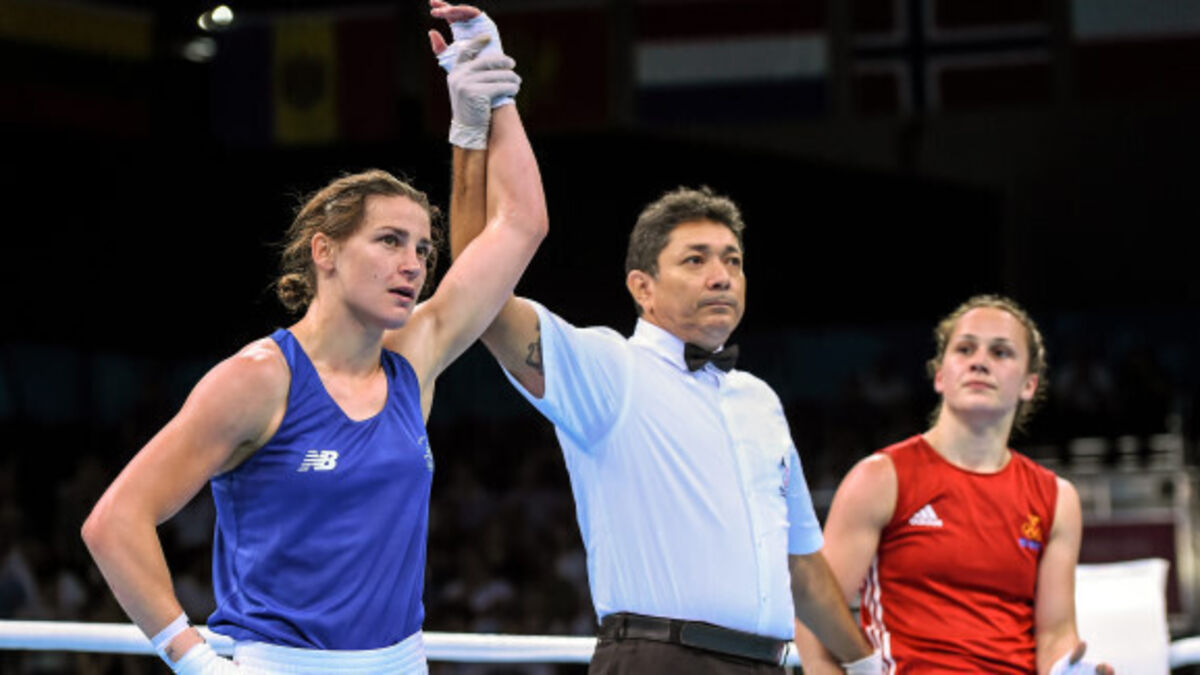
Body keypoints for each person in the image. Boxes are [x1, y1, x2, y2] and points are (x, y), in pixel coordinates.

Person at [80, 16, 545, 673]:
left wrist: (490, 106)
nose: (412, 264)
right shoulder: (259, 378)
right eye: (389, 241)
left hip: (402, 663)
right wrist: (194, 661)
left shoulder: (413, 360)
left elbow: (521, 225)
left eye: (422, 248)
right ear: (324, 252)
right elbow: (114, 521)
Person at [436, 9, 877, 671]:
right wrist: (474, 127)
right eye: (695, 260)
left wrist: (868, 665)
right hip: (657, 658)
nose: (721, 275)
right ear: (642, 287)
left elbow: (803, 569)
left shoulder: (759, 401)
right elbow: (479, 291)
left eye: (732, 260)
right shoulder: (610, 369)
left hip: (768, 663)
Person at [793, 295, 1114, 675]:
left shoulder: (1057, 499)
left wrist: (1071, 669)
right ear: (940, 375)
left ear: (1029, 385)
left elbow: (1055, 635)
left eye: (1000, 352)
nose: (980, 361)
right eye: (965, 349)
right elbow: (813, 616)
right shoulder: (880, 479)